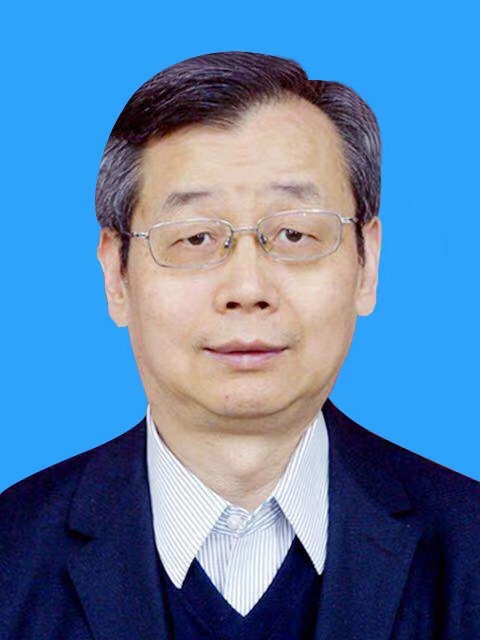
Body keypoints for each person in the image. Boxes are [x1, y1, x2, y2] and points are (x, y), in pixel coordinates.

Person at [1, 51, 479, 640]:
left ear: (367, 264)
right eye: (195, 237)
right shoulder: (10, 556)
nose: (247, 290)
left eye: (294, 233)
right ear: (116, 275)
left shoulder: (469, 550)